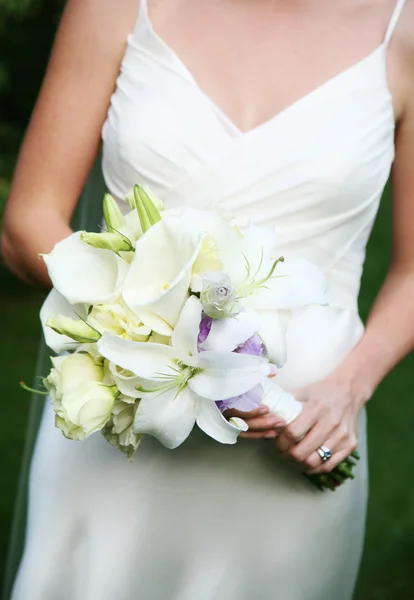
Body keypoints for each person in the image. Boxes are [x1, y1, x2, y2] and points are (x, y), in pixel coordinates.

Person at [2, 0, 414, 598]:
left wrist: (348, 388)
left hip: (296, 441)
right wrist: (158, 329)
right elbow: (27, 221)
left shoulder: (401, 25)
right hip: (121, 435)